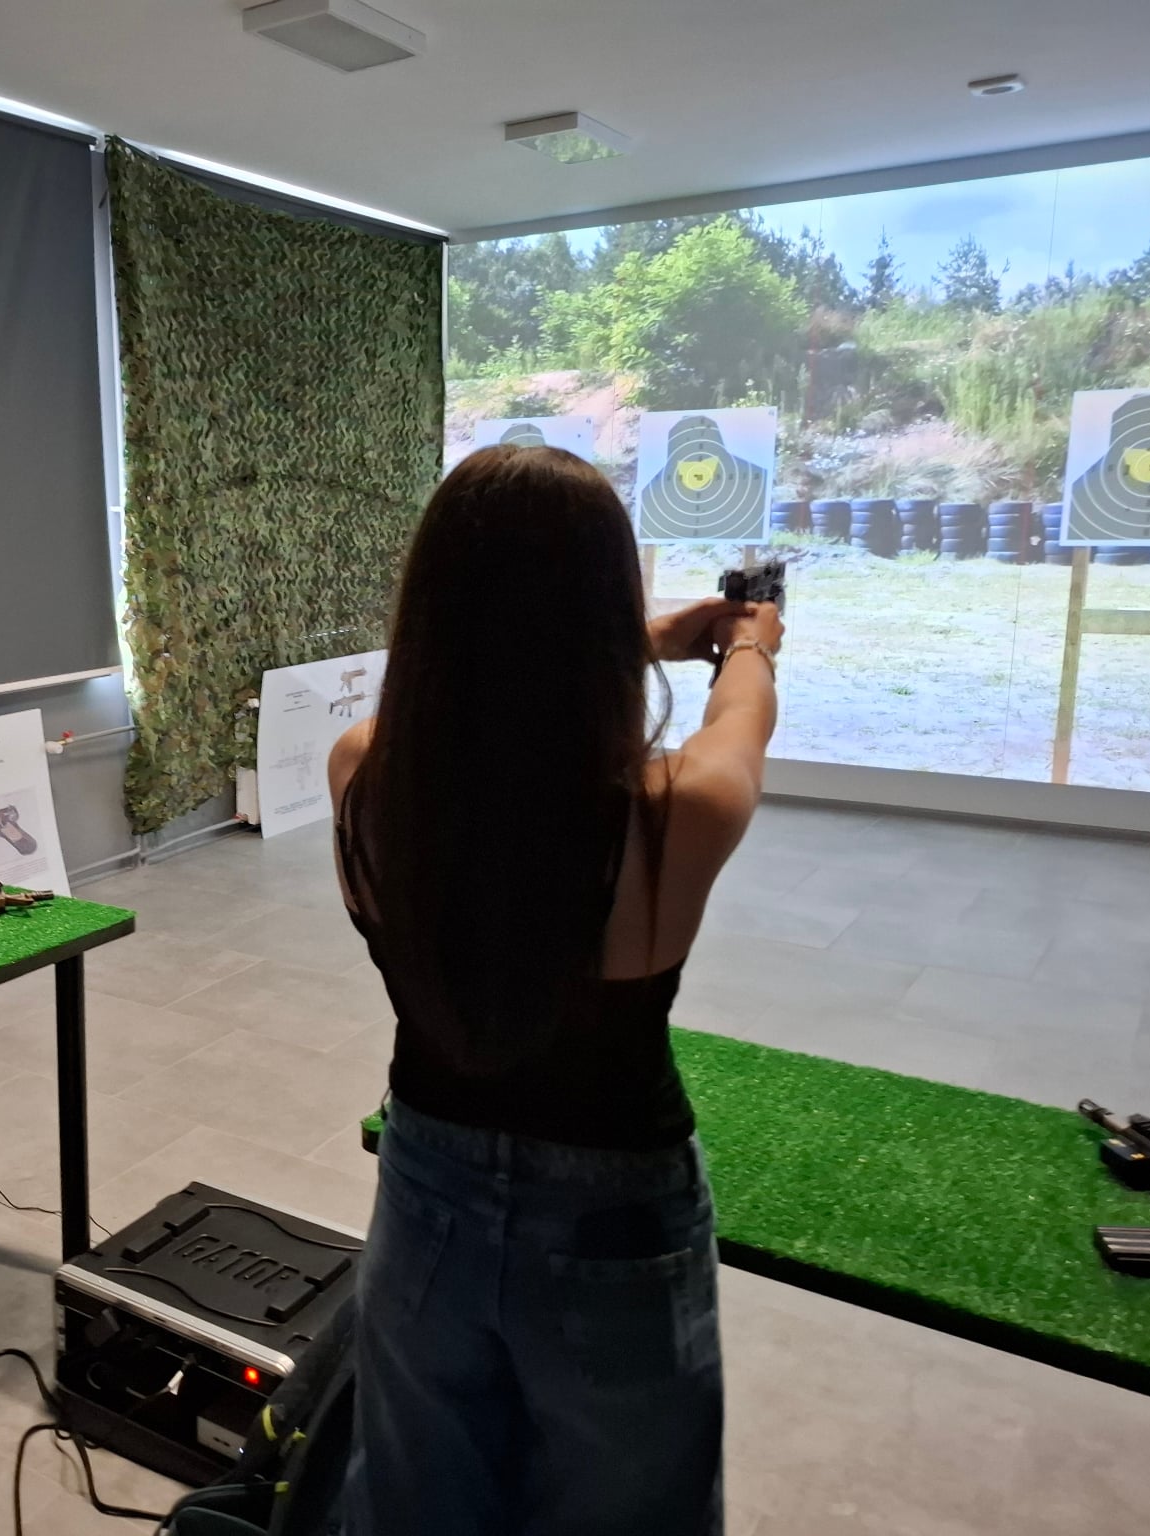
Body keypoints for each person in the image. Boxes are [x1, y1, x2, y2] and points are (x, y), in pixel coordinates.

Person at [331, 444, 783, 1535]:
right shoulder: (682, 810)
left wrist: (632, 636)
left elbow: (479, 681)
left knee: (414, 1511)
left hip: (424, 1186)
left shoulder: (364, 768)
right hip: (616, 1213)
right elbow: (741, 720)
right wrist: (744, 643)